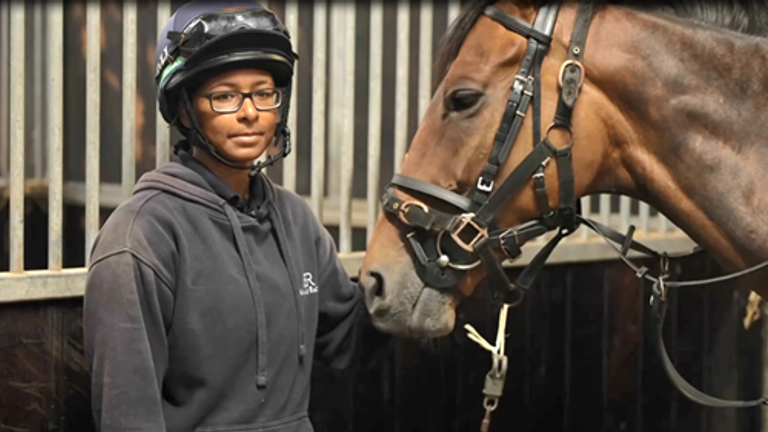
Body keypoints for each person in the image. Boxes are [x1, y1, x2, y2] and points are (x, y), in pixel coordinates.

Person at [82, 2, 388, 431]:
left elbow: (349, 342)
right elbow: (127, 415)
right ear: (185, 109)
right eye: (225, 95)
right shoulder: (142, 236)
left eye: (264, 93)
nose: (250, 112)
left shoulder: (296, 220)